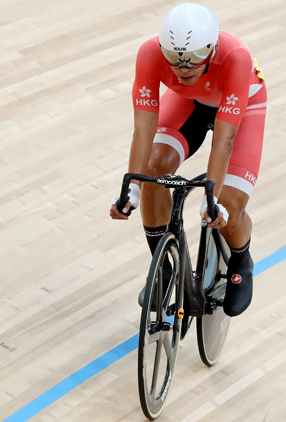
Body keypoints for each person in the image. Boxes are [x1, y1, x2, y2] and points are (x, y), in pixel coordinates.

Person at [109, 2, 266, 317]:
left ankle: (240, 258)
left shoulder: (235, 57)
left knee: (229, 207)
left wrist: (214, 197)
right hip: (189, 103)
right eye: (174, 58)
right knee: (154, 169)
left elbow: (225, 138)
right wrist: (134, 187)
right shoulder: (149, 53)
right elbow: (143, 129)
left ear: (212, 47)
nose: (184, 67)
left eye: (195, 57)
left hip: (242, 107)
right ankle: (163, 269)